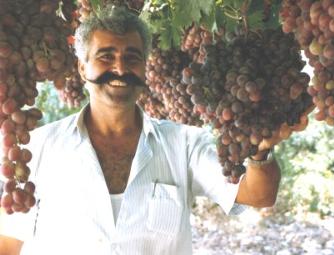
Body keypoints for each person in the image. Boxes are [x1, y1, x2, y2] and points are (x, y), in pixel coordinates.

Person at [0, 5, 281, 255]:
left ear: (145, 68)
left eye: (132, 57)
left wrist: (261, 149)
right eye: (106, 57)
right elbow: (7, 243)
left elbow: (258, 195)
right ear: (82, 68)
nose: (120, 68)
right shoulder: (37, 148)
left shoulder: (184, 144)